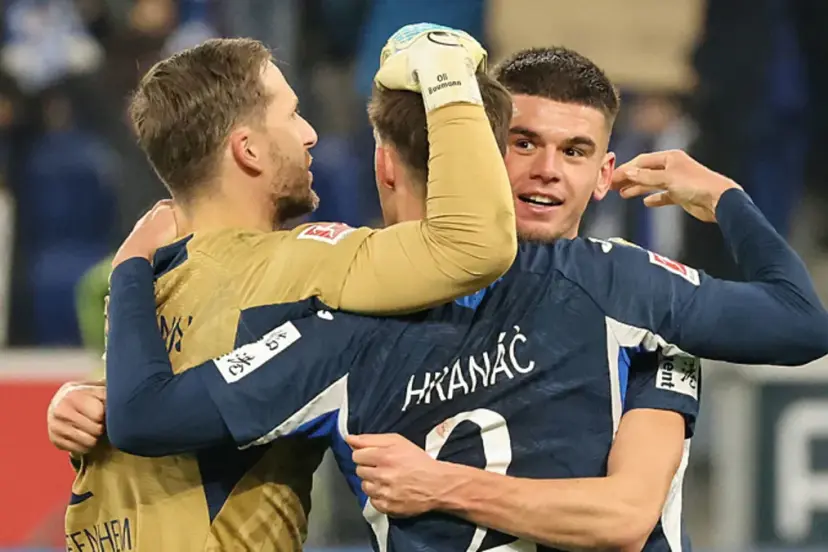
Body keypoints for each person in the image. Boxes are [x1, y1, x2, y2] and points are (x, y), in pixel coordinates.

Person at [101, 50, 828, 552]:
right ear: (473, 152)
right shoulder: (349, 307)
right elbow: (161, 408)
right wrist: (93, 406)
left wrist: (726, 198)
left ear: (605, 174)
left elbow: (625, 517)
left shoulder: (627, 290)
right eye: (523, 143)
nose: (547, 172)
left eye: (575, 152)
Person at [60, 26, 519, 552]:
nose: (310, 134)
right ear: (249, 150)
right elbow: (474, 244)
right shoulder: (302, 264)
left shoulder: (146, 282)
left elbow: (142, 409)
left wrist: (82, 393)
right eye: (293, 115)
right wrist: (447, 77)